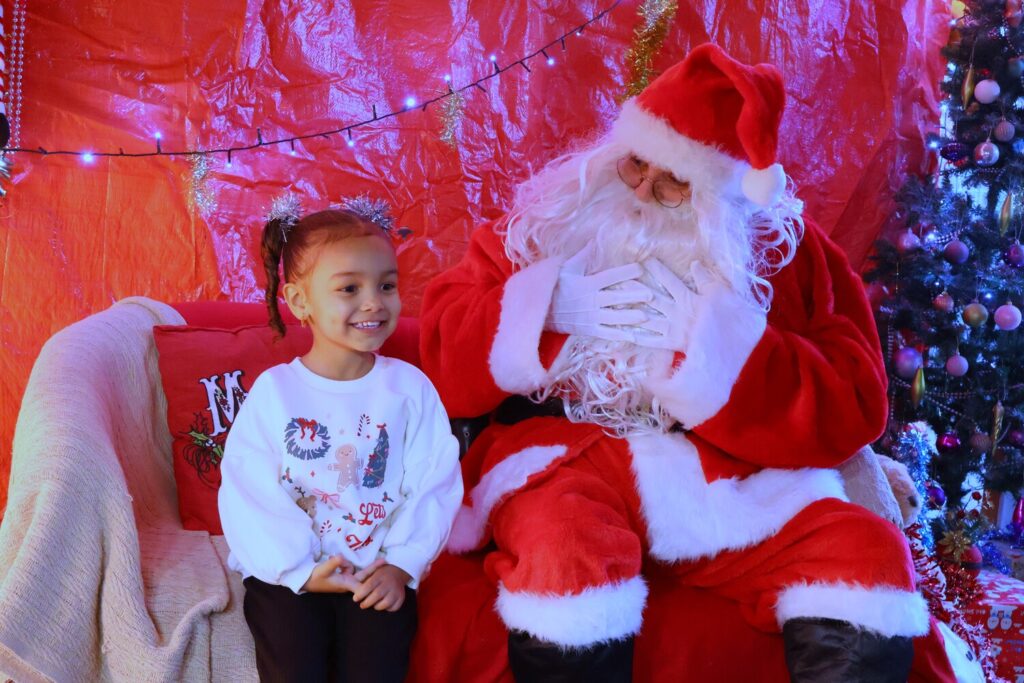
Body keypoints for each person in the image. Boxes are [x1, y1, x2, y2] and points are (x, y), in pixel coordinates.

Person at [418, 43, 929, 682]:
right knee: (566, 551)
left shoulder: (786, 254)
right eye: (635, 161)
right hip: (563, 459)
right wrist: (544, 311)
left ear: (723, 196)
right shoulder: (546, 224)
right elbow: (440, 351)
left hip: (728, 475)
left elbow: (854, 401)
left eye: (674, 181)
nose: (640, 188)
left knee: (865, 554)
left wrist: (723, 353)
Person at [218, 207, 463, 683]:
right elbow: (249, 489)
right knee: (294, 664)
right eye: (349, 289)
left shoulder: (409, 390)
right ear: (300, 301)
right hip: (292, 576)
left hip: (375, 569)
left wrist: (402, 565)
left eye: (386, 286)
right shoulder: (276, 392)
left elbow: (434, 481)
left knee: (377, 665)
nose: (374, 303)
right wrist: (298, 570)